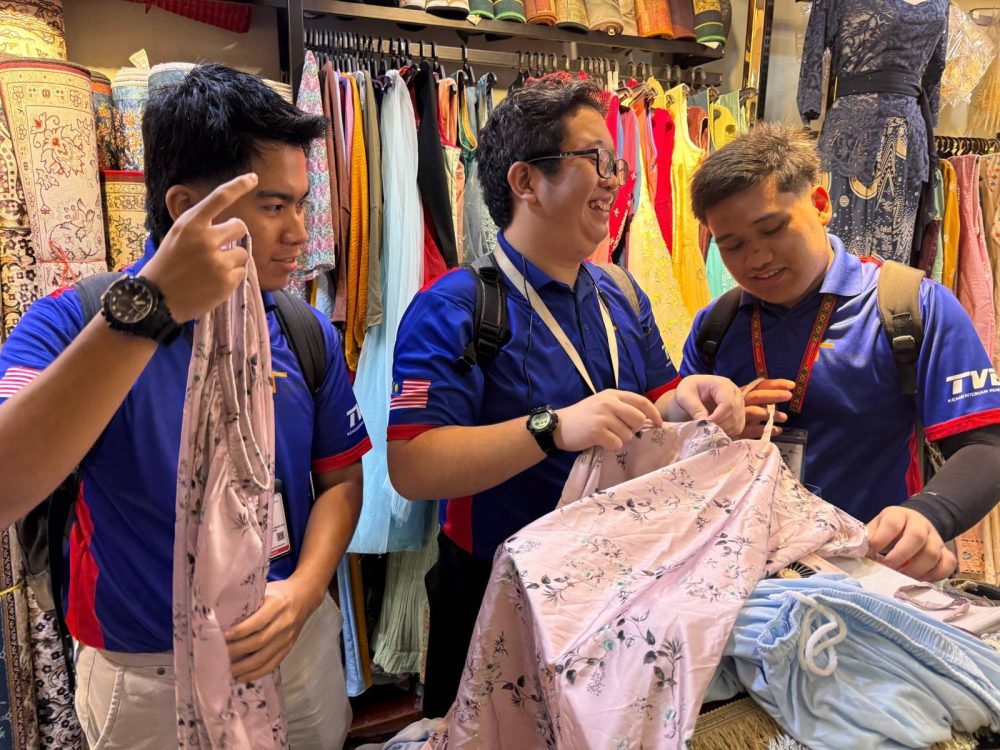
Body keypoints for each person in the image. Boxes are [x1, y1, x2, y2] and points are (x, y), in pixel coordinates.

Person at [0, 65, 369, 749]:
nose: (300, 232)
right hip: (148, 673)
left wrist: (306, 590)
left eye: (302, 203)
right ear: (185, 208)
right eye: (274, 206)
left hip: (292, 648)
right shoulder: (75, 322)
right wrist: (148, 311)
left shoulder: (301, 329)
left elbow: (342, 481)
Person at [385, 74, 746, 718]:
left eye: (616, 164)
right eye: (596, 161)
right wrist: (551, 428)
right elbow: (413, 465)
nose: (615, 181)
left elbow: (657, 398)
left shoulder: (620, 293)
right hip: (497, 592)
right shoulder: (455, 306)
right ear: (526, 181)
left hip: (618, 582)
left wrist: (694, 395)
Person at [681, 122, 1000, 584]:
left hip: (869, 573)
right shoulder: (716, 325)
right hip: (740, 578)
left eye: (772, 229)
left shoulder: (911, 306)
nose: (756, 259)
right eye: (731, 246)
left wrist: (928, 515)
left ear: (820, 204)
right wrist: (717, 428)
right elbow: (682, 458)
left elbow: (985, 445)